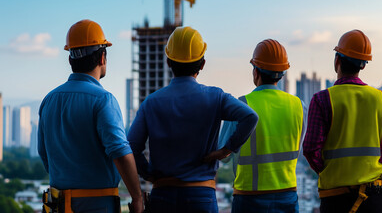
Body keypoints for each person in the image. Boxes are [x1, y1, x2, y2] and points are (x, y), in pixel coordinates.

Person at [127, 26, 259, 213]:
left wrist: (148, 174)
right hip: (201, 197)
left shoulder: (152, 102)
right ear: (203, 63)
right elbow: (250, 117)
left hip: (162, 196)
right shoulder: (215, 97)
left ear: (168, 62)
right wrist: (226, 149)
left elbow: (132, 146)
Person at [38, 19, 143, 213]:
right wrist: (137, 197)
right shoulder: (103, 100)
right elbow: (120, 152)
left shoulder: (49, 100)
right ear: (102, 57)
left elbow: (45, 154)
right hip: (97, 205)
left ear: (70, 60)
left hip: (57, 205)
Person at [303, 29, 382, 213]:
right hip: (375, 198)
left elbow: (311, 149)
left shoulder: (322, 99)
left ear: (337, 61)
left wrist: (329, 171)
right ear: (363, 66)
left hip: (335, 199)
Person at [219, 39, 307, 213]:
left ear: (255, 72)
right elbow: (298, 147)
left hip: (248, 198)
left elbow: (224, 155)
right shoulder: (299, 106)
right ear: (282, 74)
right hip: (287, 196)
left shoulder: (241, 105)